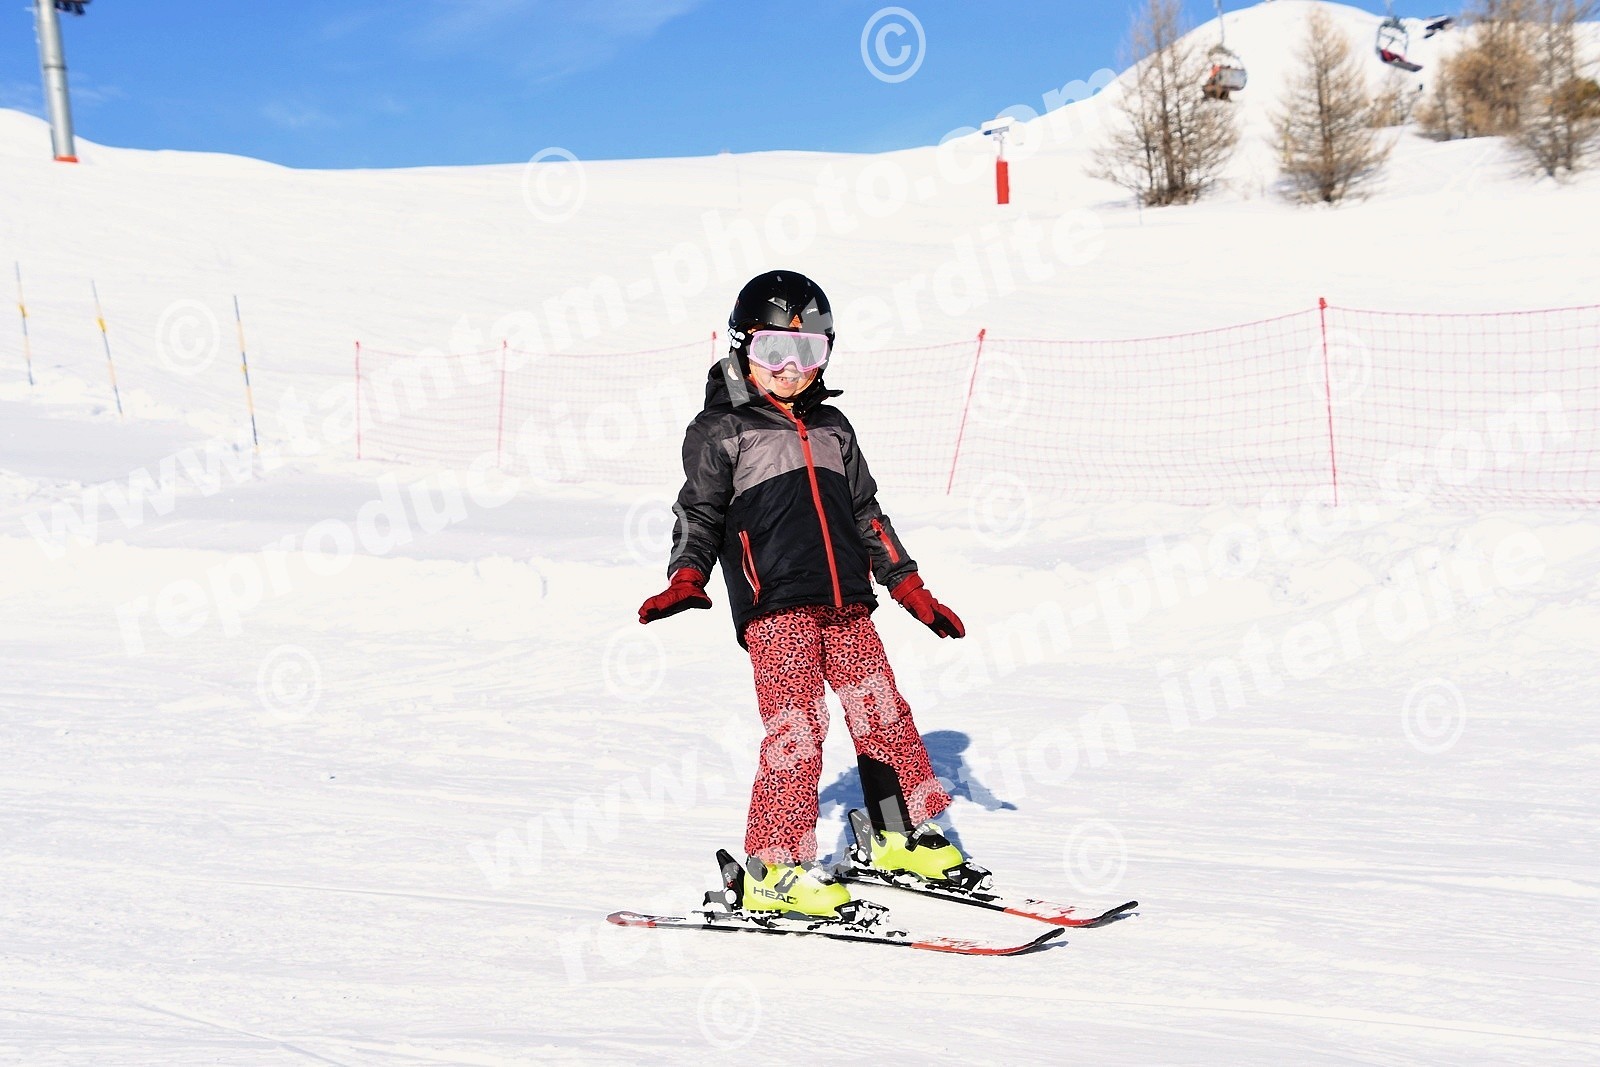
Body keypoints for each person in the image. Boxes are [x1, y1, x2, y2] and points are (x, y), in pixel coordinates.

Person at [638, 269, 989, 920]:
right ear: (743, 346)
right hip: (776, 608)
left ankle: (896, 835)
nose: (791, 369)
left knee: (883, 714)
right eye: (775, 350)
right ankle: (773, 869)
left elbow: (866, 513)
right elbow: (698, 513)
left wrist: (909, 584)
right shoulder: (721, 429)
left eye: (809, 352)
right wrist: (686, 574)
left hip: (847, 603)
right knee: (798, 728)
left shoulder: (833, 427)